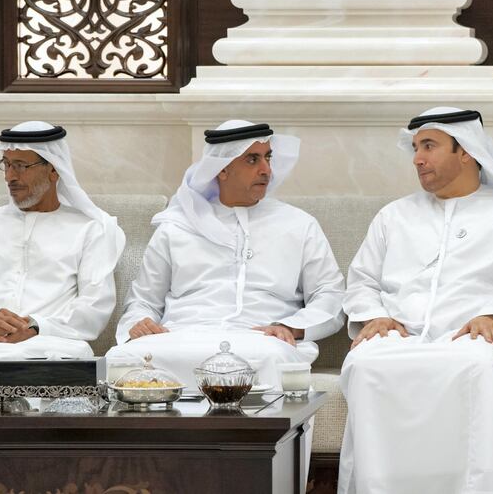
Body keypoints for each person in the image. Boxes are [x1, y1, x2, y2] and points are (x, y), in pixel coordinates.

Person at [338, 107, 493, 494]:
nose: (417, 158)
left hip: (466, 339)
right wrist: (374, 315)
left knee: (476, 365)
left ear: (465, 150)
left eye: (429, 146)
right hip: (398, 339)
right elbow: (361, 279)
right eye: (416, 147)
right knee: (366, 363)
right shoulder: (393, 216)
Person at [105, 120, 344, 390]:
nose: (266, 170)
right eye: (252, 160)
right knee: (123, 358)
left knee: (269, 357)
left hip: (262, 338)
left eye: (267, 158)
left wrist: (291, 327)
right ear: (222, 170)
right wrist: (138, 324)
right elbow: (143, 300)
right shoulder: (177, 227)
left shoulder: (299, 224)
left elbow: (330, 295)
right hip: (181, 336)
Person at [0, 121, 125, 382]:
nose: (10, 177)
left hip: (54, 348)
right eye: (6, 165)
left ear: (54, 170)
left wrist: (35, 326)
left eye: (21, 166)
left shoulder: (90, 229)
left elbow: (94, 309)